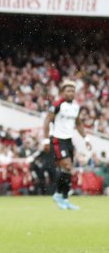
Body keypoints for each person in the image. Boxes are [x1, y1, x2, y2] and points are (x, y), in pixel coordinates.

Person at [43, 79, 85, 210]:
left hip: (68, 140)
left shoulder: (76, 107)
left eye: (73, 90)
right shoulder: (57, 105)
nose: (71, 93)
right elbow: (47, 121)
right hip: (57, 139)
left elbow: (78, 124)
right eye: (68, 90)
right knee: (68, 166)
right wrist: (45, 140)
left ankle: (63, 198)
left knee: (67, 170)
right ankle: (58, 194)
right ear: (62, 92)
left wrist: (86, 139)